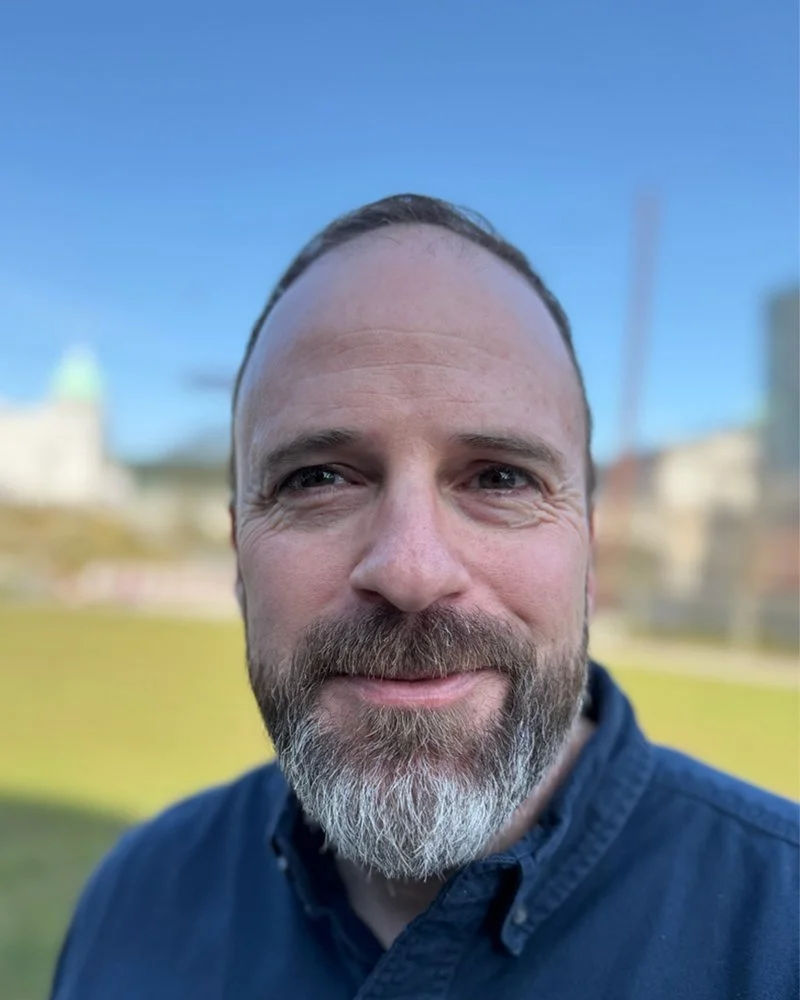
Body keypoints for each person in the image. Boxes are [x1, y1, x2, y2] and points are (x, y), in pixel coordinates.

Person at [50, 194, 798, 1000]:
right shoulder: (135, 898)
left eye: (501, 478)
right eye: (320, 479)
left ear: (588, 551)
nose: (410, 572)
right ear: (239, 557)